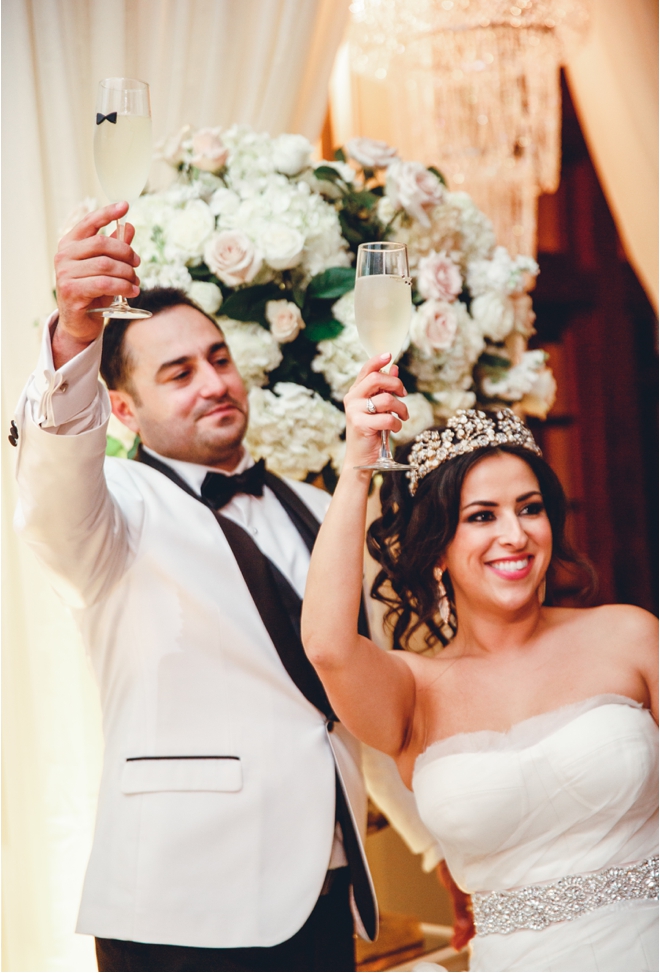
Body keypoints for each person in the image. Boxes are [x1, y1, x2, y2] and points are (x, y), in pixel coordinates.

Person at [13, 200, 387, 973]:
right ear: (122, 407)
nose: (213, 382)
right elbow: (51, 486)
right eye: (178, 373)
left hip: (326, 891)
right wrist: (75, 339)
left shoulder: (325, 507)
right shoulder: (108, 512)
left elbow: (362, 692)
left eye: (218, 358)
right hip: (179, 906)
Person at [301, 353, 659, 973]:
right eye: (481, 517)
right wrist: (358, 466)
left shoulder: (627, 635)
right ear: (438, 547)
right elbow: (329, 647)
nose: (514, 535)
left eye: (530, 508)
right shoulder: (413, 691)